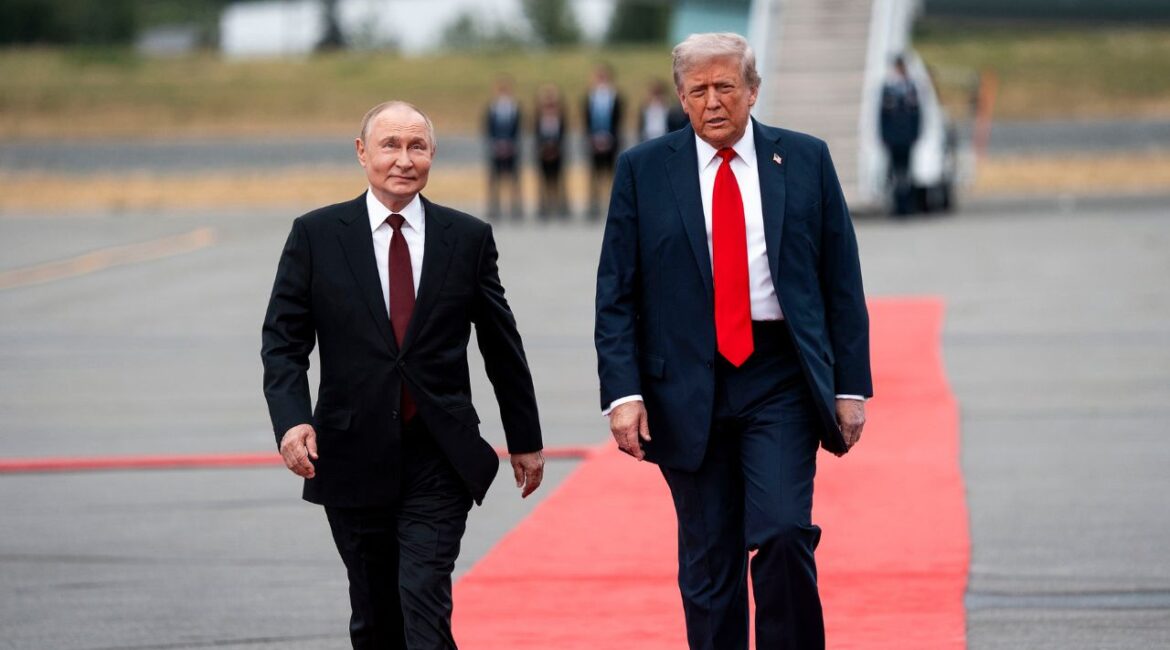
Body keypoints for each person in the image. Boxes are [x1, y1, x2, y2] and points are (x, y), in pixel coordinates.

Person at [594, 33, 871, 650]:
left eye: (725, 86)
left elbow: (841, 282)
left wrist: (850, 388)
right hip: (683, 386)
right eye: (699, 90)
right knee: (710, 564)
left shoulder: (805, 159)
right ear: (680, 97)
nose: (713, 101)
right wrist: (623, 395)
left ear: (753, 90)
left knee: (782, 532)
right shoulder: (644, 170)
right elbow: (616, 292)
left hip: (779, 378)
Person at [262, 100, 545, 649]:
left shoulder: (466, 238)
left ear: (432, 154)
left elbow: (500, 344)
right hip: (349, 451)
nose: (404, 159)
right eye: (390, 145)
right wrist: (292, 420)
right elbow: (284, 341)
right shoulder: (317, 236)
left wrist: (525, 440)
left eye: (417, 146)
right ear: (362, 152)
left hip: (437, 453)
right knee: (374, 616)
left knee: (424, 604)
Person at [879, 55, 921, 216]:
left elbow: (916, 115)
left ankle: (906, 205)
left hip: (906, 138)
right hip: (893, 138)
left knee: (906, 173)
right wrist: (884, 135)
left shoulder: (910, 87)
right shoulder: (888, 88)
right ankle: (897, 205)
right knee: (894, 173)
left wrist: (915, 134)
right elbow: (882, 116)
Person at [583, 63, 624, 219]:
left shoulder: (615, 97)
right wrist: (593, 137)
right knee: (593, 173)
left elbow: (618, 119)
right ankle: (593, 205)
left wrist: (609, 137)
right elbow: (587, 119)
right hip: (594, 140)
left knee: (611, 173)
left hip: (611, 140)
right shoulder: (590, 97)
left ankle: (612, 206)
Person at [484, 75, 523, 220]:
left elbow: (518, 128)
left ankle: (515, 207)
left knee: (514, 180)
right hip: (496, 148)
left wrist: (511, 144)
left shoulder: (515, 107)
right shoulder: (492, 107)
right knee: (494, 180)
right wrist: (496, 144)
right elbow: (488, 128)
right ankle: (494, 207)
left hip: (512, 148)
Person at [533, 83, 568, 219]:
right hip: (543, 153)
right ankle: (544, 206)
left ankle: (560, 206)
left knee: (558, 179)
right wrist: (544, 149)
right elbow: (537, 136)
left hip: (557, 153)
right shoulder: (539, 118)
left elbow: (562, 136)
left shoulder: (560, 117)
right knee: (543, 180)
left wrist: (555, 148)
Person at [638, 78, 689, 142]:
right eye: (654, 94)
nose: (656, 98)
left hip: (664, 138)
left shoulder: (670, 109)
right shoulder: (645, 108)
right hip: (648, 138)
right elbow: (641, 127)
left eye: (658, 94)